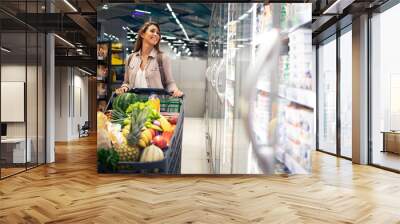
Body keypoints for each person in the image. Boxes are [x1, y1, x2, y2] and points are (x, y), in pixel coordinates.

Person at [115, 21, 183, 97]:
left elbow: (169, 83)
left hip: (155, 106)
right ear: (142, 34)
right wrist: (124, 88)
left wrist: (175, 90)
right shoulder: (130, 58)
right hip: (134, 106)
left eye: (158, 33)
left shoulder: (162, 58)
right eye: (152, 31)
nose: (156, 34)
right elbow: (126, 82)